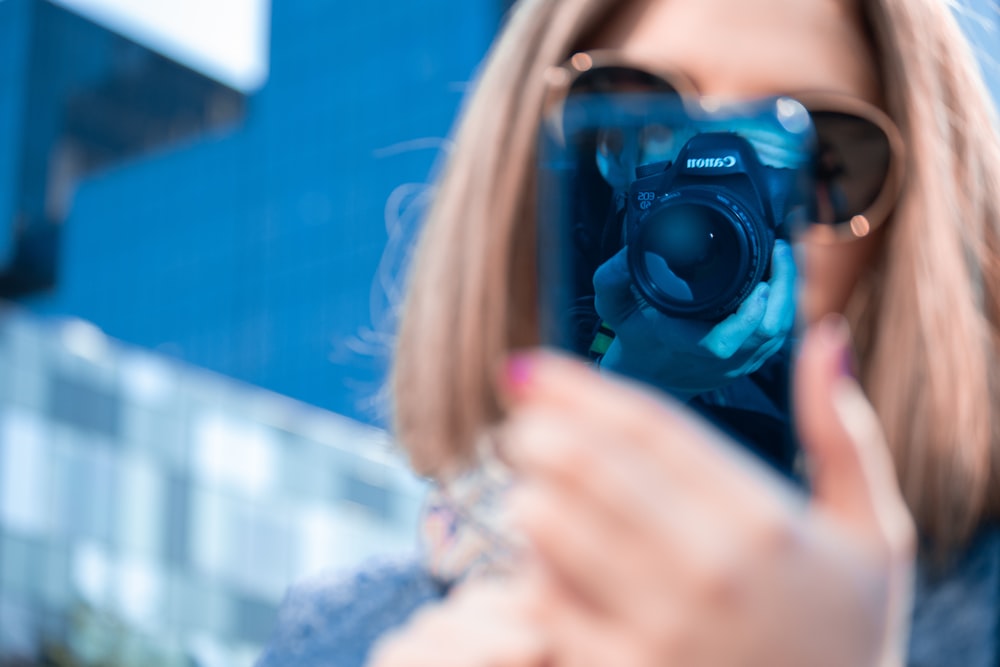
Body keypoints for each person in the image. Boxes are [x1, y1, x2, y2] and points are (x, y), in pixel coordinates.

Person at [256, 0, 1000, 665]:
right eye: (643, 115)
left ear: (918, 221)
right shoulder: (343, 636)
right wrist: (623, 396)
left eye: (817, 157)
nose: (712, 196)